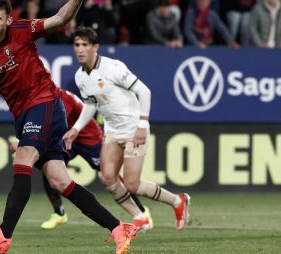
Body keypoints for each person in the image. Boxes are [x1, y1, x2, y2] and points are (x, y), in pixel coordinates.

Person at [0, 0, 138, 254]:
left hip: (46, 103)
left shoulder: (22, 29)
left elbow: (60, 20)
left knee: (23, 156)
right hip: (22, 113)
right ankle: (119, 227)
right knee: (59, 180)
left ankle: (3, 234)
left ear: (8, 20)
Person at [63, 27, 191, 232]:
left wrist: (142, 125)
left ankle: (177, 201)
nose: (80, 49)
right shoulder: (80, 76)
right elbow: (91, 104)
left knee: (131, 184)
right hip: (113, 131)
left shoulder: (113, 67)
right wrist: (76, 128)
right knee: (107, 178)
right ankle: (139, 218)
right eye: (77, 45)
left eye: (85, 45)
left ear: (95, 47)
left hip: (134, 129)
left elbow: (144, 91)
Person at [10, 88, 154, 230]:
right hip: (66, 139)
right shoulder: (43, 96)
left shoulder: (59, 98)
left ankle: (141, 211)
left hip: (88, 139)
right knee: (47, 165)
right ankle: (59, 213)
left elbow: (50, 125)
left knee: (110, 176)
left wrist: (25, 144)